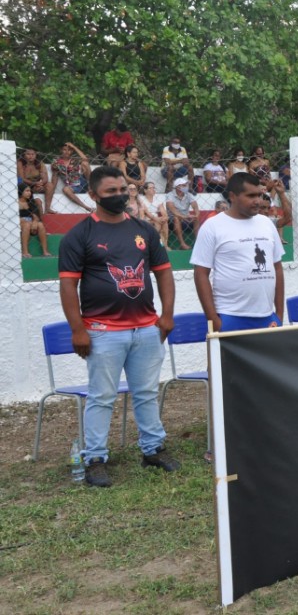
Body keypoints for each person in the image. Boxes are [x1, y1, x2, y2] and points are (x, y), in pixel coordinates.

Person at [57, 165, 178, 487]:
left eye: (123, 189)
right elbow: (68, 286)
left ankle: (152, 449)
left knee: (147, 392)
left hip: (147, 329)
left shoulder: (145, 230)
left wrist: (166, 316)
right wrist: (78, 329)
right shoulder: (79, 235)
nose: (120, 195)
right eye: (111, 192)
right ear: (94, 195)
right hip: (102, 332)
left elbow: (164, 272)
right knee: (101, 397)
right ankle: (95, 457)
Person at [191, 172, 285, 332]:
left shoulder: (267, 224)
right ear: (233, 196)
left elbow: (277, 269)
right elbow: (201, 273)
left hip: (268, 318)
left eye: (259, 195)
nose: (257, 201)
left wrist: (280, 315)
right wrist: (214, 320)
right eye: (250, 196)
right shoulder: (212, 226)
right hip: (230, 316)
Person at [51, 142, 93, 211]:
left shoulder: (75, 160)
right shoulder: (56, 162)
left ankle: (91, 187)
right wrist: (52, 191)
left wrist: (74, 147)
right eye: (65, 149)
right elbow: (54, 176)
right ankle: (86, 207)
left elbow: (85, 159)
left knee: (85, 163)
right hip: (72, 186)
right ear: (61, 150)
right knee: (65, 189)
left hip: (83, 182)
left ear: (72, 151)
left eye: (69, 150)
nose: (67, 152)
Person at [18, 183, 52, 257]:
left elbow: (35, 216)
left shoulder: (31, 202)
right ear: (21, 191)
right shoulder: (16, 202)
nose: (29, 193)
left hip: (30, 222)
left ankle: (45, 251)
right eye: (26, 191)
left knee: (40, 225)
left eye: (30, 191)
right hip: (20, 222)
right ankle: (25, 252)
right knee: (26, 225)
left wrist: (35, 222)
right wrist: (29, 223)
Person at [165, 179, 199, 250]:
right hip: (172, 220)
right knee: (176, 218)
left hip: (186, 217)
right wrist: (184, 217)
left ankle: (198, 241)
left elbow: (195, 207)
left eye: (186, 185)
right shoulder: (169, 195)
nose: (187, 186)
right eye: (184, 185)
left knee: (197, 218)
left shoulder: (189, 195)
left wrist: (196, 215)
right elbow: (173, 211)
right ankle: (182, 244)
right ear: (178, 187)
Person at [18, 147, 53, 214]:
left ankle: (48, 208)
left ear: (36, 154)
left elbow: (45, 177)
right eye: (28, 154)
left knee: (49, 185)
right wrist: (34, 183)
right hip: (24, 186)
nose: (30, 156)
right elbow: (22, 178)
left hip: (37, 185)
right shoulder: (20, 163)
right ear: (24, 155)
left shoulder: (39, 163)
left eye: (32, 154)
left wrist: (41, 183)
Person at [139, 181, 170, 249]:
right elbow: (146, 212)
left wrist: (164, 218)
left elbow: (164, 213)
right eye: (151, 188)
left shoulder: (158, 199)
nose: (153, 189)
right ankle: (158, 245)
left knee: (165, 223)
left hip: (157, 219)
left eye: (154, 188)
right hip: (146, 219)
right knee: (158, 225)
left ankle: (165, 244)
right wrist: (157, 219)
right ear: (145, 190)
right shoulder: (141, 199)